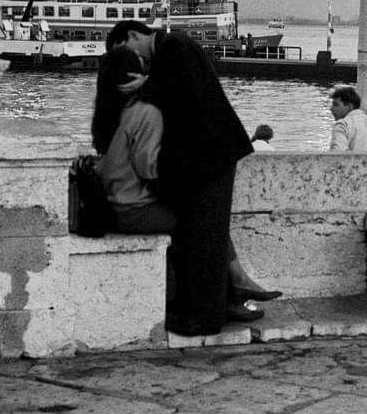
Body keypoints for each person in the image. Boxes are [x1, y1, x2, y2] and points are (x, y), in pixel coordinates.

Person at [105, 21, 279, 336]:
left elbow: (176, 86)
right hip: (210, 158)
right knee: (207, 232)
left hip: (213, 158)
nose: (134, 60)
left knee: (205, 237)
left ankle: (206, 318)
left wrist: (141, 87)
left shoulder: (174, 45)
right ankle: (227, 301)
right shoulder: (170, 51)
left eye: (126, 50)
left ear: (132, 35)